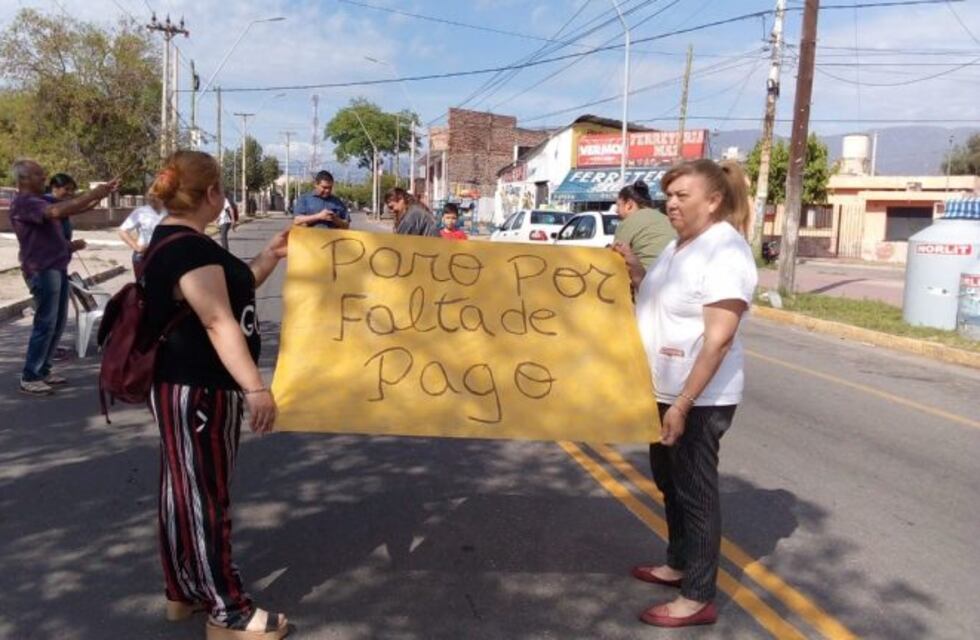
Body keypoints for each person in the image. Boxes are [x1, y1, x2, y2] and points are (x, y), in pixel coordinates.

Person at [142, 150, 289, 640]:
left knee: (180, 490)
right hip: (200, 390)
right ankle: (229, 611)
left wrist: (270, 254)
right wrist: (256, 386)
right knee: (206, 496)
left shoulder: (179, 241)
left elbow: (234, 289)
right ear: (211, 195)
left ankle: (180, 589)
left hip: (186, 387)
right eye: (222, 188)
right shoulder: (187, 248)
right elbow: (217, 318)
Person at [614, 159, 757, 629]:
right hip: (659, 388)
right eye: (669, 195)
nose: (671, 204)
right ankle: (677, 563)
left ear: (713, 200)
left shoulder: (725, 251)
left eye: (682, 196)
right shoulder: (681, 247)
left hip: (697, 398)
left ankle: (697, 595)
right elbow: (658, 304)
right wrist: (634, 270)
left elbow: (719, 337)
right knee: (668, 481)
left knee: (694, 490)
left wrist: (683, 404)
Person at [8, 159, 118, 395]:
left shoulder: (40, 200)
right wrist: (92, 193)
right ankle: (30, 375)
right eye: (39, 175)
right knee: (45, 322)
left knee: (56, 323)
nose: (44, 178)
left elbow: (72, 207)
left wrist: (101, 193)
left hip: (56, 266)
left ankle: (44, 369)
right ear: (24, 179)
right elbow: (57, 211)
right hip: (42, 269)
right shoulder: (25, 203)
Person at [613, 180, 675, 268]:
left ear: (629, 205)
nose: (616, 210)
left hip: (646, 277)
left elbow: (616, 259)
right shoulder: (666, 219)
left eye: (618, 205)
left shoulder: (629, 222)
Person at [118, 195, 166, 267]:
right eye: (151, 194)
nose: (153, 198)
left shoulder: (171, 212)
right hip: (144, 256)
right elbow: (122, 230)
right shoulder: (141, 211)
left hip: (166, 255)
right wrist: (136, 247)